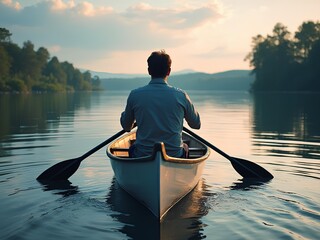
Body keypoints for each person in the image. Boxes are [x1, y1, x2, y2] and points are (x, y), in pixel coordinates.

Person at [120, 50, 201, 158]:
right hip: (174, 155)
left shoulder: (135, 95)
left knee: (133, 148)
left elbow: (126, 127)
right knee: (185, 146)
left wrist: (125, 116)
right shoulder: (181, 96)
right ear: (169, 71)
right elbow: (196, 124)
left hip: (143, 155)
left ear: (149, 71)